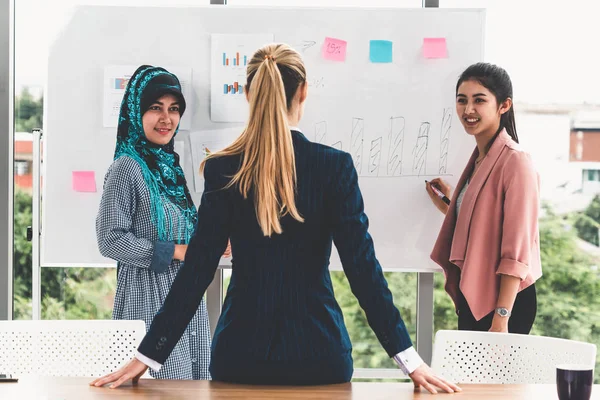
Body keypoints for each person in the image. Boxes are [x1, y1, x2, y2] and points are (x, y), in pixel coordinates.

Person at [91, 45, 459, 394]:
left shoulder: (223, 169)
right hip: (318, 356)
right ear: (303, 92)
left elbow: (197, 270)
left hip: (241, 356)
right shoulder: (333, 167)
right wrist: (408, 359)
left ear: (249, 93)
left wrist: (147, 355)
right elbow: (362, 269)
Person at [95, 65, 229, 380]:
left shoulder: (171, 170)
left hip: (183, 296)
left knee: (191, 385)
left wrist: (213, 242)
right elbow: (110, 239)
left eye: (174, 109)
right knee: (159, 389)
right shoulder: (126, 168)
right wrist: (178, 252)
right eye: (155, 108)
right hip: (146, 296)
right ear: (135, 110)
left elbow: (185, 233)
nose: (166, 118)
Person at [426, 62, 542, 334]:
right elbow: (487, 222)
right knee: (474, 379)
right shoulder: (481, 159)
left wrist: (502, 318)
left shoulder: (516, 161)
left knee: (497, 379)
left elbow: (517, 248)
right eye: (462, 100)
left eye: (479, 100)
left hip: (505, 303)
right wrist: (451, 204)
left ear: (504, 105)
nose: (468, 110)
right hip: (477, 296)